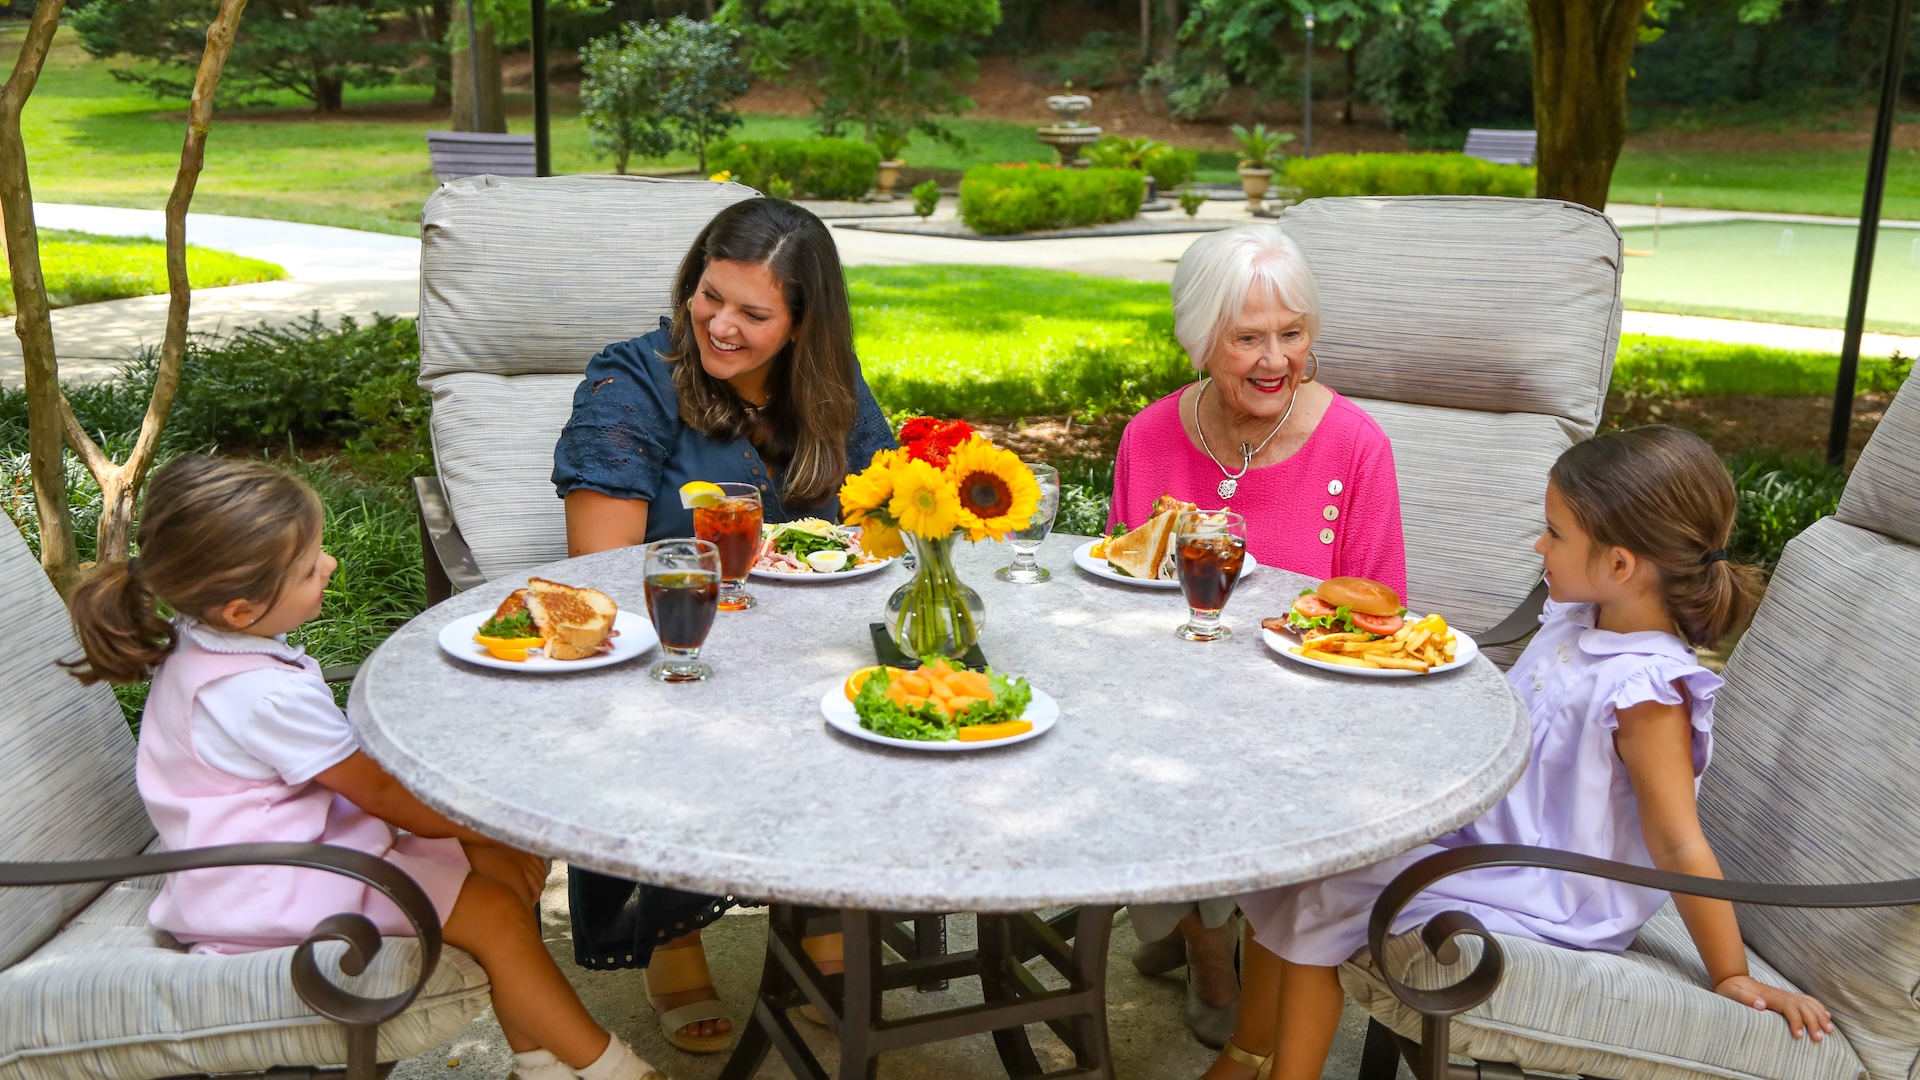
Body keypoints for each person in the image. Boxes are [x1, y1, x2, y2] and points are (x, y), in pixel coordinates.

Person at [1205, 426, 1835, 1080]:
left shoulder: (1646, 690)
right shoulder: (1576, 618)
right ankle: (1249, 1052)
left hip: (1551, 887)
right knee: (1304, 851)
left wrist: (1729, 973)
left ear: (1619, 565)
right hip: (1485, 839)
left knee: (1322, 891)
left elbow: (1679, 843)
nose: (1540, 546)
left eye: (1556, 534)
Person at [63, 455, 666, 1080]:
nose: (329, 565)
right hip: (268, 888)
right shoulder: (256, 694)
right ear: (242, 610)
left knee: (500, 874)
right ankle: (612, 1067)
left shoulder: (204, 636)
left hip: (286, 850)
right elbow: (384, 794)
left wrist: (487, 838)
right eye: (307, 567)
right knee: (497, 914)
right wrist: (511, 825)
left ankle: (539, 1063)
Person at [551, 197, 896, 1052]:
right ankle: (670, 933)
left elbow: (882, 513)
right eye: (711, 297)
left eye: (754, 312)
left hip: (805, 643)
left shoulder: (831, 387)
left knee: (869, 685)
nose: (722, 326)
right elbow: (600, 573)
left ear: (805, 324)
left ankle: (817, 908)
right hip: (670, 638)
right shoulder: (631, 382)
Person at [1107, 223, 1408, 1044]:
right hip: (1169, 691)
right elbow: (1117, 588)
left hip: (1298, 710)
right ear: (1201, 339)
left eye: (1292, 333)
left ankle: (1199, 929)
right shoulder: (1149, 436)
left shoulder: (1356, 446)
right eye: (1247, 338)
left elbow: (1382, 611)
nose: (1276, 359)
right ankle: (1207, 945)